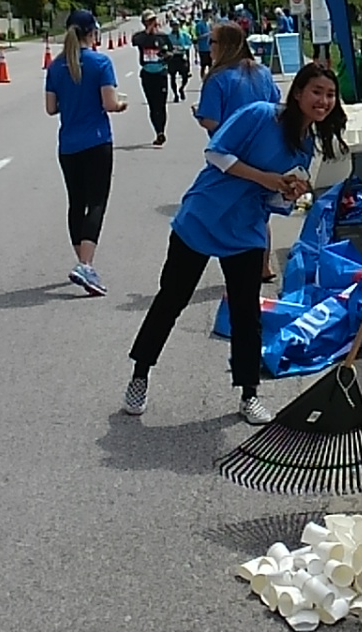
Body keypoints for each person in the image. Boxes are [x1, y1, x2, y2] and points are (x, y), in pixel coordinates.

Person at [123, 64, 347, 422]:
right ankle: (140, 375)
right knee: (171, 299)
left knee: (246, 314)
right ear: (298, 93)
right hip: (204, 216)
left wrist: (287, 193)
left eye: (330, 94)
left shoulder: (306, 145)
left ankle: (249, 394)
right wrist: (265, 178)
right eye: (316, 92)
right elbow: (216, 153)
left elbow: (274, 199)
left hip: (246, 229)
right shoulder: (260, 114)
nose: (323, 100)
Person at [45, 9, 127, 296]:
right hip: (96, 141)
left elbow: (51, 108)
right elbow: (109, 103)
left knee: (76, 203)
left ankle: (83, 263)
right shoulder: (100, 62)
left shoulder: (56, 66)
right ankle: (86, 264)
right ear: (92, 33)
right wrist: (122, 104)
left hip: (68, 145)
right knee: (97, 202)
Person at [197, 21, 283, 283]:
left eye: (212, 42)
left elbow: (210, 120)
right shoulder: (262, 72)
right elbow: (275, 105)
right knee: (260, 212)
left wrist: (198, 115)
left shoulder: (217, 78)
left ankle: (241, 274)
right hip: (263, 150)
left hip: (231, 156)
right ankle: (264, 266)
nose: (209, 47)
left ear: (224, 45)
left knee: (231, 215)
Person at [131, 8, 172, 146]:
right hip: (147, 74)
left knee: (161, 105)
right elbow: (136, 42)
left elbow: (171, 51)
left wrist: (167, 55)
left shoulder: (163, 36)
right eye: (148, 21)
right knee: (153, 105)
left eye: (153, 20)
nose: (152, 23)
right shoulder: (140, 37)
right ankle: (158, 131)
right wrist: (148, 31)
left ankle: (161, 131)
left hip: (161, 73)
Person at [167, 21, 192, 102]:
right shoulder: (168, 36)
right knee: (172, 77)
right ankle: (175, 94)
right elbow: (166, 46)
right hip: (173, 58)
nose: (175, 27)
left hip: (182, 56)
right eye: (173, 25)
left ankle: (181, 88)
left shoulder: (184, 34)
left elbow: (189, 43)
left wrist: (183, 47)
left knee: (185, 76)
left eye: (176, 25)